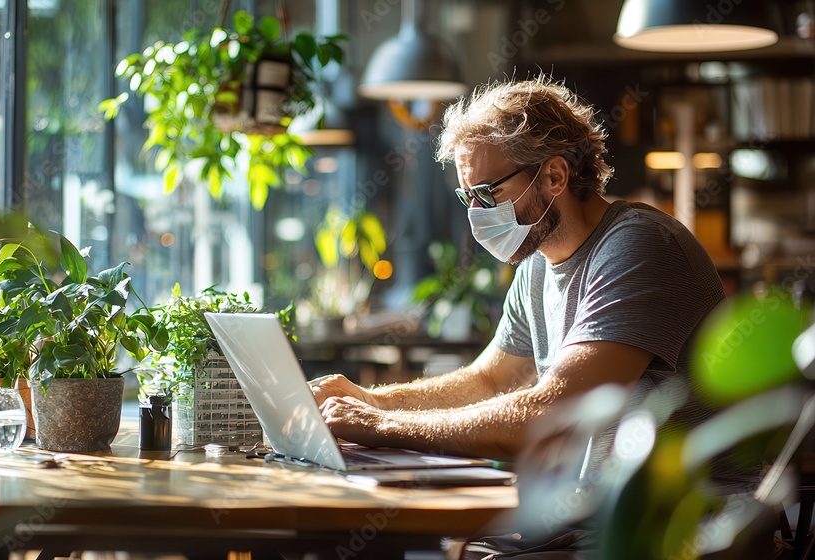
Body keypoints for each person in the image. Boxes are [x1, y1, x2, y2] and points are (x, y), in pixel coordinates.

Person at [309, 75, 726, 467]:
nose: (475, 214)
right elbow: (488, 380)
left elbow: (554, 417)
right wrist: (368, 401)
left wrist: (383, 426)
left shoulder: (639, 248)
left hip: (680, 530)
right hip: (586, 523)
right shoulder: (537, 263)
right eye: (467, 196)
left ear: (555, 176)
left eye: (488, 194)